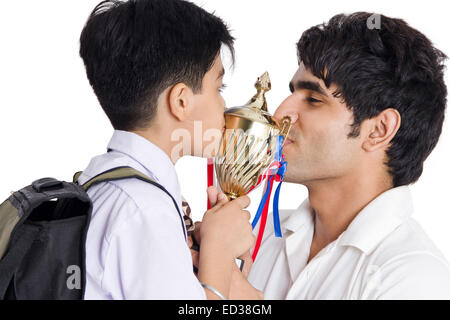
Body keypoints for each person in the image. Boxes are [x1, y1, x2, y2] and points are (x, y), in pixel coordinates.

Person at [248, 12, 450, 299]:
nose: (280, 114)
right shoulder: (259, 235)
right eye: (292, 92)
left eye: (314, 100)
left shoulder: (413, 276)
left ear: (379, 129)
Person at [77, 0, 258, 299]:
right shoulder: (146, 211)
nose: (224, 105)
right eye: (218, 88)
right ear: (181, 102)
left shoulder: (104, 185)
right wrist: (219, 250)